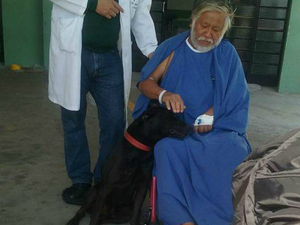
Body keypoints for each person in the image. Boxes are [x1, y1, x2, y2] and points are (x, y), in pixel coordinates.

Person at [132, 0, 252, 224]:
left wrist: (211, 114)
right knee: (166, 149)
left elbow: (237, 95)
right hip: (178, 128)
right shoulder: (173, 48)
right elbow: (146, 83)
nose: (208, 34)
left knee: (232, 149)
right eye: (204, 26)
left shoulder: (226, 53)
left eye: (216, 30)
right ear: (192, 22)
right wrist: (164, 94)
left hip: (218, 128)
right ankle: (181, 218)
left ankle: (220, 218)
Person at [48, 0, 157, 205]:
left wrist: (153, 52)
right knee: (73, 120)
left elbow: (141, 13)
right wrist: (92, 3)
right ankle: (80, 180)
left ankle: (104, 180)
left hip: (110, 57)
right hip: (74, 51)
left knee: (114, 122)